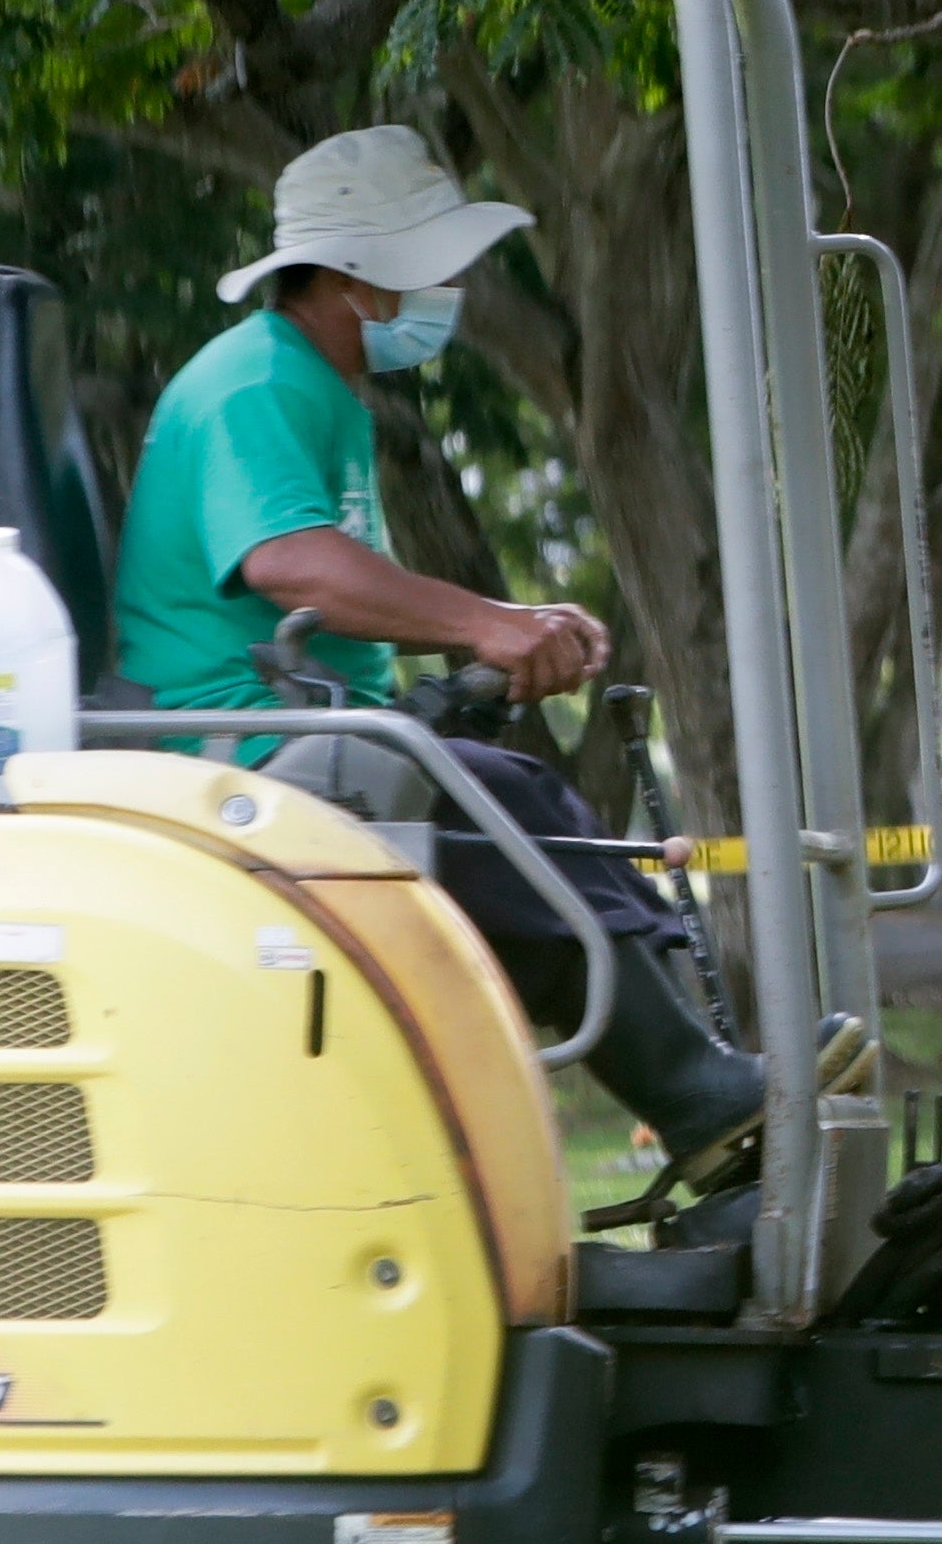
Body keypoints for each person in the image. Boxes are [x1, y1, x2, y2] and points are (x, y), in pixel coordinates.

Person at [116, 126, 771, 1181]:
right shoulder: (257, 384)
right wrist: (486, 624)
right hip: (233, 746)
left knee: (522, 802)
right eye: (432, 263)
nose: (453, 287)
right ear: (354, 276)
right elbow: (293, 564)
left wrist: (498, 625)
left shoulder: (311, 384)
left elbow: (341, 594)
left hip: (291, 730)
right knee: (507, 809)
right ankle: (698, 1097)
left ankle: (702, 1084)